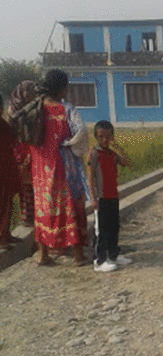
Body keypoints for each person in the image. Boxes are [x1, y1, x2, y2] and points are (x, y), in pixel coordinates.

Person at [31, 69, 88, 265]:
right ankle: (78, 255)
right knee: (71, 205)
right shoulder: (66, 109)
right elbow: (82, 130)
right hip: (63, 165)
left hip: (40, 167)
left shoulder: (36, 107)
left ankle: (43, 255)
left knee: (43, 207)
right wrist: (71, 144)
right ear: (62, 88)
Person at [87, 120, 132, 272]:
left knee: (114, 227)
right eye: (101, 137)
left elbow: (127, 162)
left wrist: (117, 147)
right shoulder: (95, 153)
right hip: (101, 198)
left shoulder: (112, 154)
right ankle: (99, 260)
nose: (105, 140)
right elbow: (90, 178)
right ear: (96, 137)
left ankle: (113, 255)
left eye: (108, 137)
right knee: (101, 230)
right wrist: (93, 198)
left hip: (113, 196)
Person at [8, 81, 37, 227]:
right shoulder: (14, 109)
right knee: (25, 184)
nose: (29, 95)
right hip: (20, 148)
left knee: (35, 184)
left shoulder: (34, 106)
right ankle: (27, 216)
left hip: (33, 147)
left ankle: (36, 214)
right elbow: (13, 133)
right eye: (27, 91)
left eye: (31, 92)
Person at [0, 94, 23, 249]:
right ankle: (2, 238)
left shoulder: (3, 124)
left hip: (7, 167)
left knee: (7, 202)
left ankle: (6, 234)